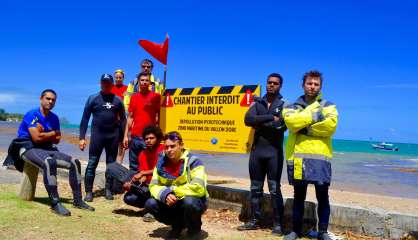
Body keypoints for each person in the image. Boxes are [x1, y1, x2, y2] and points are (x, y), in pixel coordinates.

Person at [6, 89, 94, 216]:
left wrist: (45, 134)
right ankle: (55, 203)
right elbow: (36, 138)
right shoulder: (32, 114)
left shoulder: (54, 118)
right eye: (48, 98)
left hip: (47, 148)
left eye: (53, 100)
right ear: (41, 99)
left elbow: (57, 140)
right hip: (27, 147)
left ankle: (78, 200)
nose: (50, 101)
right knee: (49, 163)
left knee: (75, 162)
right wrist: (52, 133)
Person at [282, 70, 338, 240]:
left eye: (316, 84)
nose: (312, 87)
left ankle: (322, 232)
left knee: (323, 197)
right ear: (303, 85)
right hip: (298, 158)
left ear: (320, 86)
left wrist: (304, 128)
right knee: (298, 197)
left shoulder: (329, 105)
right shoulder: (290, 106)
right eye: (309, 83)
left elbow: (331, 126)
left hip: (321, 158)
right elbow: (291, 123)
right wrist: (316, 116)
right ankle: (296, 231)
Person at [238, 73, 287, 235]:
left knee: (274, 189)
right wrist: (269, 117)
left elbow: (281, 125)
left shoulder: (285, 104)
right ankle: (254, 220)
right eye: (269, 82)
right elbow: (247, 119)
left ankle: (278, 224)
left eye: (275, 83)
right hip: (257, 153)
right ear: (266, 84)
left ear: (280, 86)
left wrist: (259, 122)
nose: (272, 85)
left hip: (274, 153)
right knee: (255, 188)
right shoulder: (256, 102)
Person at [145, 131, 208, 239]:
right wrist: (165, 194)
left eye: (173, 146)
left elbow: (199, 187)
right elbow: (153, 186)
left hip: (193, 200)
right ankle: (176, 226)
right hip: (172, 202)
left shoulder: (194, 162)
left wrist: (173, 191)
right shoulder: (160, 163)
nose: (169, 150)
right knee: (150, 204)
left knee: (190, 202)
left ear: (181, 145)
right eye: (166, 147)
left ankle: (194, 228)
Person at [79, 74, 126, 201]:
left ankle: (108, 190)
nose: (106, 84)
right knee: (92, 164)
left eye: (108, 83)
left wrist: (122, 139)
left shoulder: (118, 100)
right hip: (97, 137)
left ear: (112, 84)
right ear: (100, 83)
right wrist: (82, 138)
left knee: (111, 166)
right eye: (104, 82)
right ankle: (89, 192)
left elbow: (123, 120)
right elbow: (85, 119)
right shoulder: (92, 98)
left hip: (113, 137)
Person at [106, 125, 164, 221]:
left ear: (157, 139)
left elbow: (162, 171)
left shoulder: (163, 150)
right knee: (128, 196)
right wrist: (132, 184)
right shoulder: (142, 154)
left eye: (151, 138)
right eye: (146, 139)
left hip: (160, 186)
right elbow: (143, 176)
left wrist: (143, 174)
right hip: (146, 187)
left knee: (148, 189)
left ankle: (152, 209)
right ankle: (149, 206)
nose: (148, 140)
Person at [123, 72, 161, 171]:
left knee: (148, 165)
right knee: (133, 166)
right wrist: (125, 136)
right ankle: (134, 186)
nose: (144, 82)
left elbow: (160, 117)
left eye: (146, 80)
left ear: (150, 83)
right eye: (142, 80)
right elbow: (130, 117)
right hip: (135, 137)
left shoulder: (156, 97)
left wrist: (159, 136)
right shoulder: (134, 97)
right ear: (139, 82)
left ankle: (146, 186)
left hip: (149, 138)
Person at [111, 69, 128, 164]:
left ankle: (119, 164)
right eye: (116, 77)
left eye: (120, 77)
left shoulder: (127, 89)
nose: (118, 79)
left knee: (122, 145)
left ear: (123, 78)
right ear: (114, 78)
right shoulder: (110, 88)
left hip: (123, 120)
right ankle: (112, 164)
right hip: (112, 120)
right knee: (112, 144)